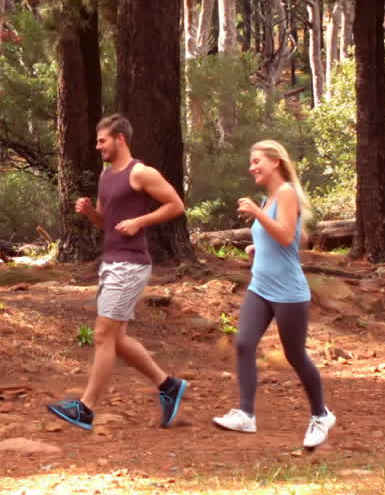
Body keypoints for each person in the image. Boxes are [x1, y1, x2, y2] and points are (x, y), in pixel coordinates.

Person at [46, 114, 189, 431]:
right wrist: (89, 213)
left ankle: (85, 408)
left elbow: (176, 205)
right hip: (111, 261)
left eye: (102, 140)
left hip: (131, 263)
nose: (98, 146)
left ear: (120, 139)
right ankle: (168, 386)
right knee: (117, 339)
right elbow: (106, 221)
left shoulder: (141, 172)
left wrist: (140, 222)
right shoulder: (106, 176)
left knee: (102, 335)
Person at [212, 140, 336, 449]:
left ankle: (321, 415)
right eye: (251, 162)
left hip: (288, 292)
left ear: (275, 162)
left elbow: (284, 236)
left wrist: (257, 214)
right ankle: (245, 414)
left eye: (257, 161)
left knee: (295, 355)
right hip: (260, 285)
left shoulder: (285, 194)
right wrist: (259, 247)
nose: (251, 167)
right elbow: (298, 237)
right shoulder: (271, 199)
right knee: (243, 343)